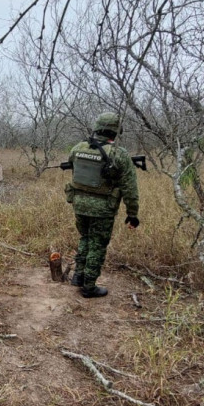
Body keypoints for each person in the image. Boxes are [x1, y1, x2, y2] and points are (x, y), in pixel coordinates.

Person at [65, 112, 139, 298]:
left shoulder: (78, 148)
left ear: (96, 128)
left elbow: (76, 170)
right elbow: (130, 189)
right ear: (115, 132)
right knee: (97, 244)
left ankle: (78, 276)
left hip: (79, 204)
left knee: (86, 238)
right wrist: (132, 214)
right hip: (103, 208)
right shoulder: (119, 154)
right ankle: (89, 287)